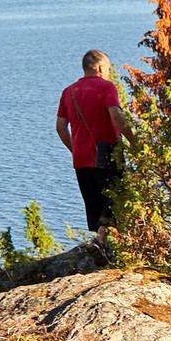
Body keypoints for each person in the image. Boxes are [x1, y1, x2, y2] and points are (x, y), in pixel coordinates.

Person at [57, 50, 126, 232]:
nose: (109, 73)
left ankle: (98, 244)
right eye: (108, 68)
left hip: (81, 158)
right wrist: (133, 141)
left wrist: (74, 149)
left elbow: (61, 127)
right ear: (100, 68)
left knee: (93, 204)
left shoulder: (68, 92)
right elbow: (117, 117)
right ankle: (104, 241)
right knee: (115, 196)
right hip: (106, 153)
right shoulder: (106, 87)